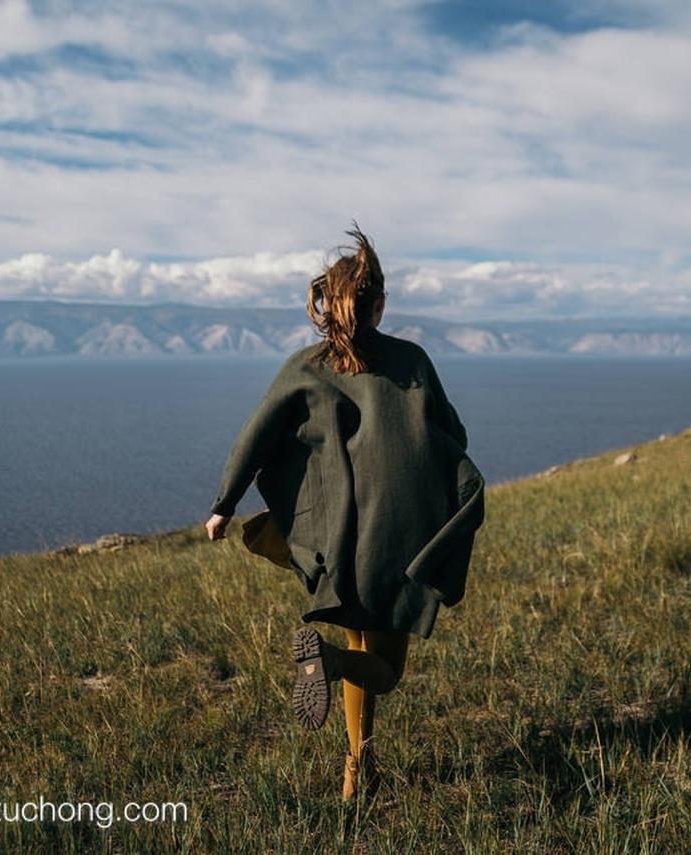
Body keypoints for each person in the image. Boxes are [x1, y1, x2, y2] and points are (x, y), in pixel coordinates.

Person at [204, 223, 485, 801]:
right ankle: (329, 667)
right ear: (379, 304)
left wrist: (223, 505)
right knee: (383, 670)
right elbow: (452, 433)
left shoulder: (305, 366)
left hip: (338, 538)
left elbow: (254, 437)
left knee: (363, 644)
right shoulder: (412, 362)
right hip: (398, 542)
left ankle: (357, 771)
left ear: (327, 306)